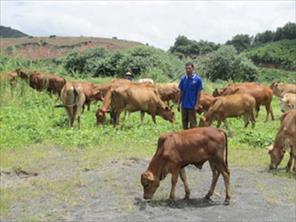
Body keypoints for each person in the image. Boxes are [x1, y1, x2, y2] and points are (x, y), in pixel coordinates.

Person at [178, 62, 203, 129]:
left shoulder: (198, 79)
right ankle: (185, 137)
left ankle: (194, 138)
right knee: (184, 122)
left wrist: (197, 104)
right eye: (186, 69)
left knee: (193, 123)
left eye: (189, 68)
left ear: (193, 68)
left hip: (192, 106)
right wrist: (178, 103)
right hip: (184, 105)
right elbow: (181, 91)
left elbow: (199, 93)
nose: (187, 70)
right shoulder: (183, 79)